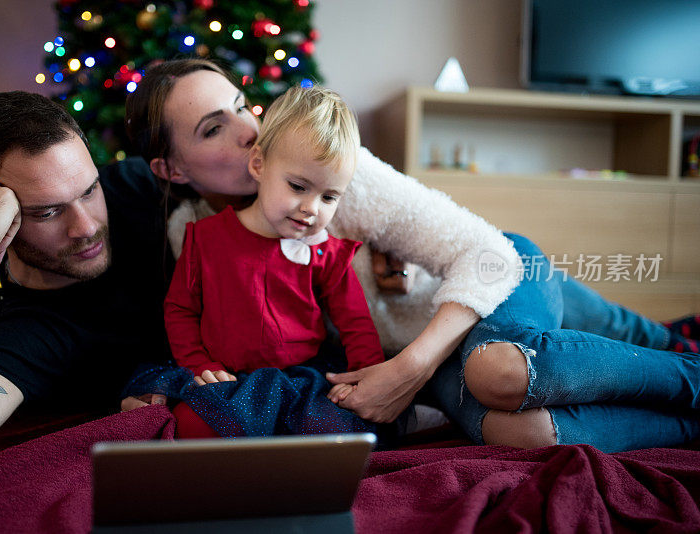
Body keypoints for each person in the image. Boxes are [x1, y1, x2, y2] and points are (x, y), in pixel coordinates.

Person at [123, 58, 700, 453]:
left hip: (485, 286)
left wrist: (407, 369)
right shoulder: (192, 233)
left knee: (505, 367)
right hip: (425, 354)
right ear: (171, 170)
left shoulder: (324, 163)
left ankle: (690, 371)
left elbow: (487, 253)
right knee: (521, 434)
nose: (249, 130)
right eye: (212, 129)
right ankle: (684, 415)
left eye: (242, 105)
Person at [0, 91, 168, 493]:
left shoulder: (135, 186)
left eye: (90, 190)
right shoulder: (21, 337)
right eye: (47, 212)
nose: (86, 227)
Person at [134, 85, 385, 437]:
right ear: (258, 164)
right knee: (193, 426)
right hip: (229, 378)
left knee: (336, 429)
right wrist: (199, 365)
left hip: (300, 379)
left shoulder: (324, 250)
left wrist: (367, 377)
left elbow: (355, 321)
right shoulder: (204, 238)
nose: (312, 208)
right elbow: (180, 310)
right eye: (298, 186)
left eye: (329, 196)